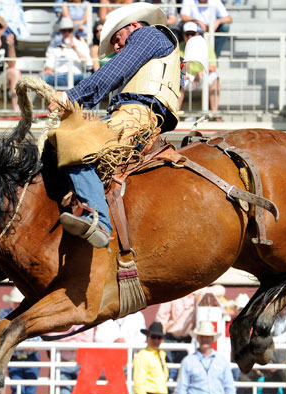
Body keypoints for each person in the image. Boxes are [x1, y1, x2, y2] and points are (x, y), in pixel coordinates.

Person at [47, 4, 180, 248]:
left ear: (135, 25)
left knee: (73, 142)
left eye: (117, 39)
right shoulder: (158, 47)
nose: (116, 48)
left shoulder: (147, 34)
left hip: (135, 118)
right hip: (138, 119)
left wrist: (70, 97)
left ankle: (98, 221)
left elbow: (111, 73)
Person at [2, 287, 40, 394]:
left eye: (20, 303)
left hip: (30, 357)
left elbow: (39, 334)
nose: (18, 305)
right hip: (16, 358)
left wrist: (31, 344)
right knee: (16, 388)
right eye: (16, 303)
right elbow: (2, 334)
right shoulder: (5, 315)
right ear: (11, 303)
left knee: (29, 390)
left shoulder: (33, 315)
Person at [178, 22, 220, 113]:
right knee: (179, 80)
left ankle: (215, 114)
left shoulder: (205, 45)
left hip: (202, 76)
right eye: (187, 34)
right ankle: (175, 113)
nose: (189, 37)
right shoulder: (181, 46)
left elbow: (213, 67)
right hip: (188, 77)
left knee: (215, 79)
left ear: (197, 34)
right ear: (183, 35)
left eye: (192, 34)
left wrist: (200, 74)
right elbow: (181, 66)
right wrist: (183, 74)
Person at [42, 18, 91, 89]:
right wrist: (48, 70)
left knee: (88, 76)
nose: (67, 33)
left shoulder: (81, 44)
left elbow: (89, 65)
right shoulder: (53, 45)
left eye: (69, 30)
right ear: (60, 32)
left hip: (76, 76)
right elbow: (49, 64)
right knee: (44, 77)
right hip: (59, 77)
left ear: (73, 30)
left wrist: (75, 49)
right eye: (64, 31)